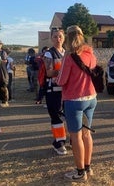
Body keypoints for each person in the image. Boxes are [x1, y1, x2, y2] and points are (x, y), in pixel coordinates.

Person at [57, 25, 97, 181]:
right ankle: (88, 167)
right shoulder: (90, 54)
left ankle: (80, 172)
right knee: (87, 134)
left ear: (68, 37)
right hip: (91, 98)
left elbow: (61, 80)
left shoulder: (69, 57)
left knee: (76, 137)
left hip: (74, 100)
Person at [43, 27, 67, 155]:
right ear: (51, 39)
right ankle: (59, 143)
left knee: (67, 116)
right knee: (56, 117)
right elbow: (49, 72)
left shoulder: (66, 52)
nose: (58, 39)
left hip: (66, 90)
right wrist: (65, 72)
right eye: (55, 37)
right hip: (53, 90)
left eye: (60, 36)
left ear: (64, 38)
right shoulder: (49, 54)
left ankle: (68, 140)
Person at [0, 40, 9, 107]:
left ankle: (4, 101)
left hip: (1, 71)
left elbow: (5, 61)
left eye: (0, 44)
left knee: (3, 86)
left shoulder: (2, 52)